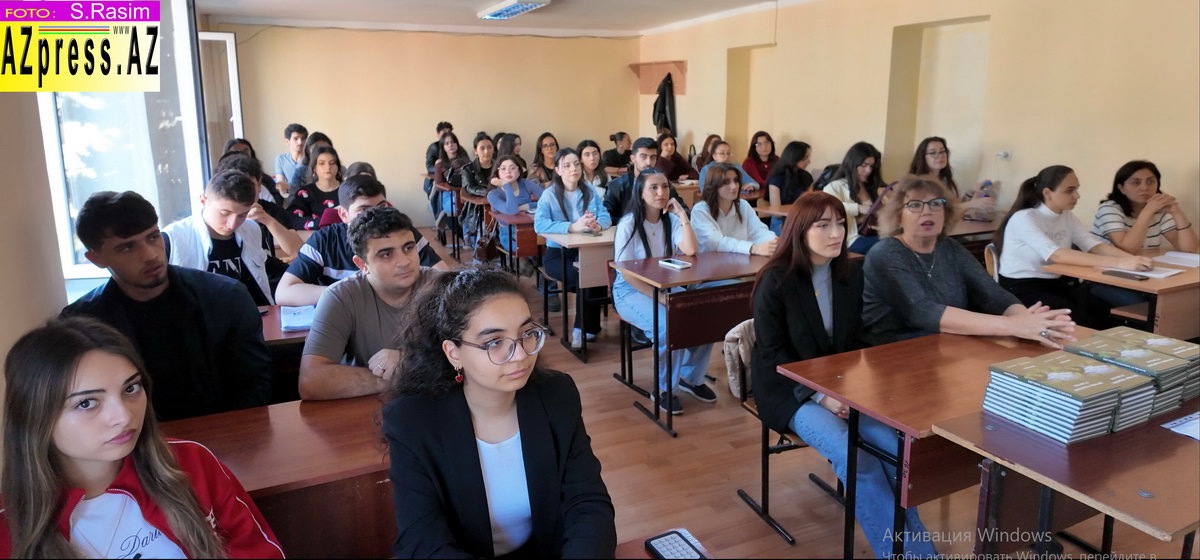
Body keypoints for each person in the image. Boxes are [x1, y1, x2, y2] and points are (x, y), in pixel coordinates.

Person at [0, 317, 285, 558]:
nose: (124, 416)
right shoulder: (9, 525)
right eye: (86, 403)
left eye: (131, 389)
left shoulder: (190, 462)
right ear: (34, 416)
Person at [751, 191, 937, 559]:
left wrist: (859, 389)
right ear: (800, 231)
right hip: (788, 390)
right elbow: (772, 355)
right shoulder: (775, 279)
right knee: (856, 458)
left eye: (839, 223)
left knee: (895, 452)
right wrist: (822, 396)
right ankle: (901, 554)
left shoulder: (849, 274)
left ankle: (917, 552)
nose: (836, 233)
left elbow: (856, 341)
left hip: (839, 384)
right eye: (823, 226)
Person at [383, 267, 616, 558]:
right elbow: (422, 541)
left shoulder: (557, 395)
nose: (520, 354)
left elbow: (588, 504)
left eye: (527, 334)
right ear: (453, 352)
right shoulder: (412, 422)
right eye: (494, 342)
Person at [61, 191, 272, 421]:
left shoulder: (226, 297)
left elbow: (254, 386)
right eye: (128, 247)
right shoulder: (83, 324)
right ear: (96, 259)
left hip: (223, 433)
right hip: (133, 438)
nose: (150, 255)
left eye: (153, 237)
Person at [863, 175, 1077, 347]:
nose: (927, 211)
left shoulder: (949, 247)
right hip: (892, 351)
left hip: (948, 344)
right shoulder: (885, 253)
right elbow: (923, 312)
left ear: (946, 213)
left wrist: (1029, 321)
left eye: (936, 204)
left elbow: (992, 293)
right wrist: (1014, 325)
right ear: (898, 216)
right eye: (915, 205)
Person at [299, 207, 438, 401]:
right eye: (386, 254)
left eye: (408, 248)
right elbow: (311, 381)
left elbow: (474, 359)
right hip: (372, 409)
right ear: (362, 264)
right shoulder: (340, 297)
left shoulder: (442, 287)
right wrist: (404, 375)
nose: (404, 261)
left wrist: (408, 360)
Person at [996, 165, 1152, 325]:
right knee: (1086, 322)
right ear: (1047, 193)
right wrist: (1119, 263)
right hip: (1022, 288)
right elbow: (1057, 255)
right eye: (1069, 190)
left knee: (1108, 315)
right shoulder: (1024, 218)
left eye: (1076, 189)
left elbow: (1093, 245)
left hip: (1056, 283)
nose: (1077, 195)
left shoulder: (1066, 215)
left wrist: (1134, 260)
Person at [612, 169, 712, 414]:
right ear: (640, 192)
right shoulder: (628, 224)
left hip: (666, 286)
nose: (661, 192)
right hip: (631, 290)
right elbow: (626, 274)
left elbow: (690, 249)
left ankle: (690, 377)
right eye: (653, 188)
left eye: (665, 187)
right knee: (666, 326)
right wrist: (662, 298)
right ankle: (664, 389)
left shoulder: (671, 220)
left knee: (705, 316)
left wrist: (682, 214)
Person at [276, 175, 444, 306]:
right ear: (343, 214)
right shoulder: (325, 240)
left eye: (381, 207)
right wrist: (350, 294)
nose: (375, 216)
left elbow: (443, 275)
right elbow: (284, 292)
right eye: (364, 210)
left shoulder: (402, 232)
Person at [162, 169, 301, 306]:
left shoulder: (252, 229)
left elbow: (267, 275)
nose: (232, 224)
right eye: (225, 213)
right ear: (203, 201)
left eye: (242, 215)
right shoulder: (173, 239)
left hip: (252, 313)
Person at [533, 148, 612, 347]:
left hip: (584, 249)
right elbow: (539, 225)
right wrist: (571, 227)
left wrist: (598, 225)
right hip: (557, 253)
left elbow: (605, 216)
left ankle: (590, 329)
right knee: (586, 277)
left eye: (576, 164)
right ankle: (580, 330)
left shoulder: (588, 189)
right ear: (558, 170)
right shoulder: (550, 195)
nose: (573, 169)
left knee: (594, 273)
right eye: (567, 165)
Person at [691, 163, 777, 256]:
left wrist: (774, 242)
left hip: (741, 260)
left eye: (736, 181)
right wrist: (753, 248)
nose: (734, 186)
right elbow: (715, 242)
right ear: (713, 185)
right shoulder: (700, 210)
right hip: (711, 262)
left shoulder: (743, 205)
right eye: (726, 182)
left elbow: (759, 231)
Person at [603, 137, 687, 223]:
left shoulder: (663, 184)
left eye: (653, 157)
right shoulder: (617, 185)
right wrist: (635, 221)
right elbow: (605, 218)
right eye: (643, 157)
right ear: (633, 159)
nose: (649, 162)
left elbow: (685, 211)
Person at [824, 141, 886, 254]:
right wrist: (859, 208)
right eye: (864, 165)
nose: (868, 170)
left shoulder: (872, 187)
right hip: (851, 239)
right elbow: (830, 210)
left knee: (900, 238)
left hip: (872, 232)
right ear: (852, 163)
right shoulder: (835, 186)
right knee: (893, 242)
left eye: (871, 166)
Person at [908, 136, 995, 212]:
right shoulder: (919, 183)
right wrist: (972, 204)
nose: (940, 156)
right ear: (922, 158)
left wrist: (970, 193)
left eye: (942, 151)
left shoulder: (946, 180)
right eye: (933, 153)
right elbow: (938, 211)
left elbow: (956, 208)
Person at [488, 155, 546, 260]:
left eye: (512, 168)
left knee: (550, 246)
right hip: (508, 233)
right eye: (503, 168)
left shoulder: (525, 183)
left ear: (519, 172)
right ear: (497, 173)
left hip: (533, 227)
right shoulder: (493, 195)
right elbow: (512, 210)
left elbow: (548, 200)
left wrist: (527, 206)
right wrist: (506, 186)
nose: (508, 171)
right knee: (529, 249)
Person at [287, 144, 343, 231]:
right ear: (314, 168)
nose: (328, 167)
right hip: (314, 237)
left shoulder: (349, 190)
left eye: (332, 163)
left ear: (338, 167)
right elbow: (293, 219)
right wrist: (324, 221)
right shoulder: (305, 193)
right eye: (321, 163)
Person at [766, 141, 815, 234]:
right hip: (782, 222)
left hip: (802, 220)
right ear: (794, 158)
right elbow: (776, 213)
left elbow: (810, 205)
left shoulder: (807, 176)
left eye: (809, 157)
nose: (809, 161)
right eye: (805, 158)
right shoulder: (776, 178)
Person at [223, 138, 284, 204]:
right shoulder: (222, 183)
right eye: (236, 152)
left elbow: (277, 203)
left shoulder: (265, 180)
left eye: (245, 151)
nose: (242, 155)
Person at [424, 121, 454, 199]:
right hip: (436, 180)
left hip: (451, 179)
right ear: (438, 134)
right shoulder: (434, 147)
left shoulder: (454, 146)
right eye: (444, 132)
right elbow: (429, 167)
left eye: (449, 132)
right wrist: (442, 169)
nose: (446, 134)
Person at [275, 122, 308, 192]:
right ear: (287, 141)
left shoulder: (311, 159)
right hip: (288, 195)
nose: (300, 142)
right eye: (296, 138)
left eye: (303, 139)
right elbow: (281, 185)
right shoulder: (280, 159)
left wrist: (289, 186)